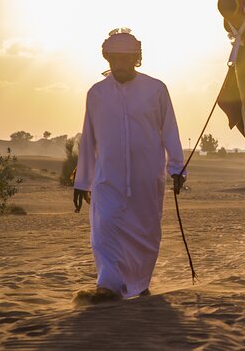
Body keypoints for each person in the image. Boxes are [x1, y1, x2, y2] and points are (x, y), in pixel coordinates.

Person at [72, 28, 186, 303]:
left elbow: (170, 129)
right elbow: (89, 138)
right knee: (105, 228)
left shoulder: (156, 89)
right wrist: (82, 181)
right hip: (107, 178)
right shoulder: (96, 93)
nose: (120, 64)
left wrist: (177, 167)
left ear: (137, 58)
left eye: (126, 58)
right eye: (115, 58)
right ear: (107, 58)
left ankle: (139, 283)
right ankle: (108, 286)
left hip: (147, 178)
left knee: (145, 234)